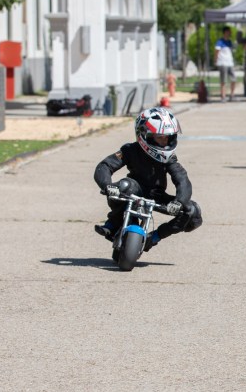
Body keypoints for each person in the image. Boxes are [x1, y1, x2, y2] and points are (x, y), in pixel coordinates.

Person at [93, 107, 202, 251]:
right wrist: (107, 185)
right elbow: (105, 166)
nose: (164, 142)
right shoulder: (129, 150)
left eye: (167, 137)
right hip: (133, 190)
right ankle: (113, 223)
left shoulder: (169, 158)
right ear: (143, 135)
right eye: (159, 137)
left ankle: (154, 237)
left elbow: (182, 179)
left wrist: (179, 201)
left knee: (192, 212)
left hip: (157, 195)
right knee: (124, 185)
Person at [214, 26, 236, 102]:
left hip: (230, 63)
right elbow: (216, 51)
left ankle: (232, 95)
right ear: (225, 32)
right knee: (224, 81)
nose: (230, 33)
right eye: (228, 31)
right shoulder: (220, 42)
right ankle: (223, 96)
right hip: (222, 63)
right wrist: (216, 61)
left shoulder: (229, 42)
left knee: (234, 79)